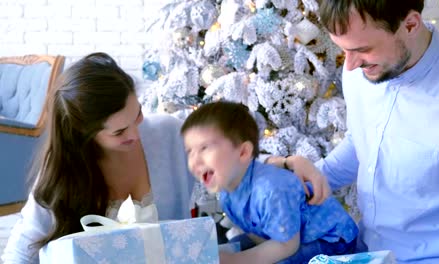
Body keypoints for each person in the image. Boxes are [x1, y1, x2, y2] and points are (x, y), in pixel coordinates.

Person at [271, 0, 439, 263]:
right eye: (344, 50)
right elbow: (363, 142)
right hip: (364, 249)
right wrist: (307, 183)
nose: (350, 65)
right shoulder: (362, 70)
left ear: (410, 25)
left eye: (362, 50)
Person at [1, 52, 194, 263]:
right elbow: (20, 253)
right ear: (85, 134)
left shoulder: (170, 133)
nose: (135, 135)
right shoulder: (63, 171)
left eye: (137, 114)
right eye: (119, 132)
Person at [181, 101, 359, 264]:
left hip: (331, 239)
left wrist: (239, 260)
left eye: (204, 148)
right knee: (234, 245)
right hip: (285, 235)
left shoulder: (270, 190)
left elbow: (287, 246)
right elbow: (255, 233)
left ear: (243, 153)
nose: (194, 160)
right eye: (190, 151)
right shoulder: (227, 194)